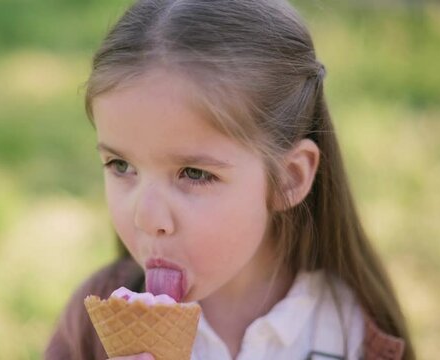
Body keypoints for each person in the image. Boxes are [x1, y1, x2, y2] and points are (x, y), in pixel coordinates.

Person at [45, 0, 415, 359]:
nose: (146, 217)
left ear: (288, 178)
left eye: (194, 173)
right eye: (121, 165)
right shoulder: (92, 329)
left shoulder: (349, 330)